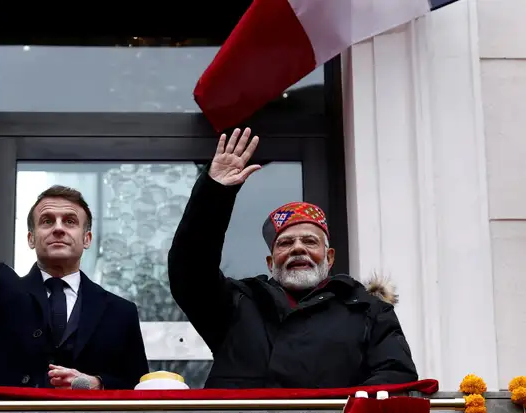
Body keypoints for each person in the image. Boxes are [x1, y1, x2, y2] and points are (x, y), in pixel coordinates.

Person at [0, 83, 149, 389]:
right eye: (46, 221)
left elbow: (139, 390)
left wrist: (94, 383)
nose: (58, 227)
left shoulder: (120, 312)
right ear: (31, 238)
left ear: (87, 239)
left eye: (70, 221)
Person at [168, 127, 418, 389]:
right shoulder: (237, 304)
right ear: (270, 262)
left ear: (329, 257)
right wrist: (214, 192)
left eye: (310, 241)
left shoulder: (369, 311)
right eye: (285, 243)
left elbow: (396, 375)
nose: (298, 248)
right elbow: (190, 269)